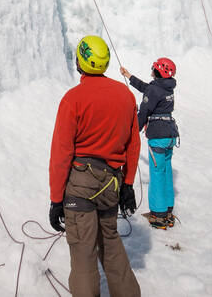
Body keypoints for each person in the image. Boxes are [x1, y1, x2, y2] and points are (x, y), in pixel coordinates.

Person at [49, 35, 141, 297]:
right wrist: (127, 184)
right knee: (110, 243)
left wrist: (56, 199)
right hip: (111, 182)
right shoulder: (125, 95)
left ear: (81, 62)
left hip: (80, 183)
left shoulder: (73, 99)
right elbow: (132, 145)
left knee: (83, 254)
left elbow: (61, 154)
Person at [120, 58, 179, 230]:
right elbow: (147, 88)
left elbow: (144, 112)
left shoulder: (156, 89)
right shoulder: (166, 87)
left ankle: (158, 215)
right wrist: (129, 76)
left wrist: (131, 134)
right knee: (166, 171)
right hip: (169, 134)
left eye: (153, 68)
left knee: (157, 174)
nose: (151, 69)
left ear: (160, 71)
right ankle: (167, 211)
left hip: (158, 135)